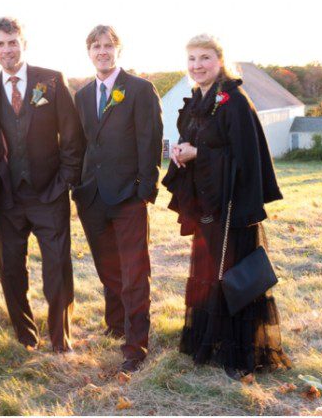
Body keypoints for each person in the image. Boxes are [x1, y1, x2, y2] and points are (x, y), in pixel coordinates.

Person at [162, 33, 291, 379]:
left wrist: (199, 154)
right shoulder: (197, 100)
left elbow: (243, 157)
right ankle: (212, 341)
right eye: (191, 59)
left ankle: (239, 353)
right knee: (208, 274)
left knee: (232, 276)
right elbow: (195, 140)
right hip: (207, 206)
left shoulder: (234, 100)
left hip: (232, 208)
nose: (197, 65)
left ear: (219, 60)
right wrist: (180, 151)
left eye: (204, 58)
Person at [0, 17, 84, 353]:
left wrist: (64, 179)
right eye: (0, 44)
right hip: (6, 199)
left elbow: (72, 134)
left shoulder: (50, 80)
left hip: (49, 193)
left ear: (24, 43)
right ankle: (25, 334)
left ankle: (59, 336)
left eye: (12, 42)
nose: (7, 50)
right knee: (10, 269)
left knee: (57, 267)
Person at [72, 25, 163, 373]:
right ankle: (115, 324)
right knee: (107, 267)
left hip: (127, 195)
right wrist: (77, 187)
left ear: (118, 50)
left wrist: (145, 190)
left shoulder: (139, 89)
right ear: (89, 52)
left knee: (134, 271)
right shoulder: (81, 96)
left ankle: (136, 344)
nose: (102, 51)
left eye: (108, 45)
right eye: (96, 46)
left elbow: (150, 140)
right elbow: (80, 144)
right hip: (92, 196)